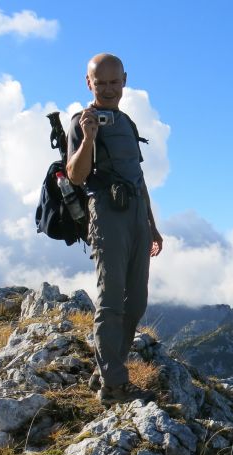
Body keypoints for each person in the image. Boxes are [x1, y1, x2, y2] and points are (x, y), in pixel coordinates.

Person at [66, 53, 164, 405]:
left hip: (136, 215)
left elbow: (138, 178)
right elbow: (76, 176)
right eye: (100, 82)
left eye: (113, 81)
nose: (108, 89)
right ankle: (113, 385)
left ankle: (108, 368)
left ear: (124, 79)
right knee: (110, 302)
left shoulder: (126, 122)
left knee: (135, 302)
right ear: (88, 82)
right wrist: (89, 138)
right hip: (107, 214)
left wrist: (152, 225)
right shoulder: (81, 121)